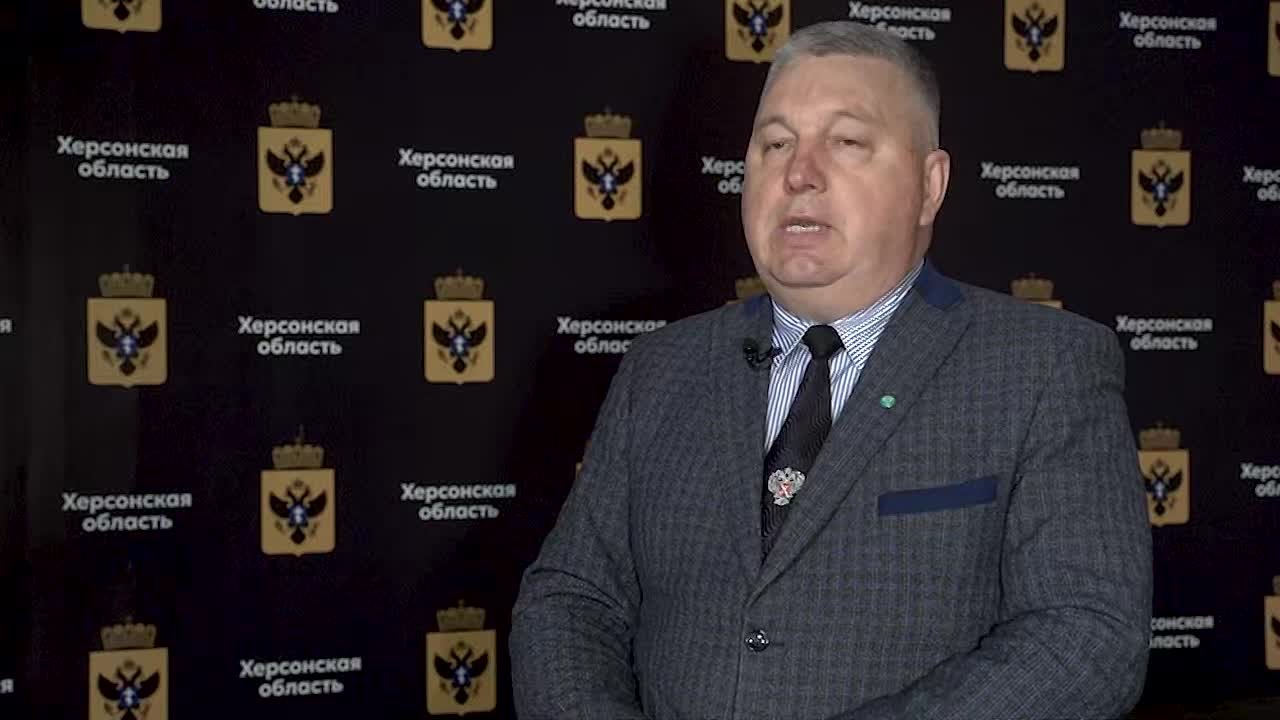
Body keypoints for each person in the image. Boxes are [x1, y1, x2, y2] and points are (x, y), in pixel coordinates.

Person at [510, 20, 1152, 720]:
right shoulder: (660, 369)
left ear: (930, 185)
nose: (799, 173)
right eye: (775, 143)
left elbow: (1086, 636)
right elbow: (571, 600)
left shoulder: (1043, 368)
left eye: (846, 142)